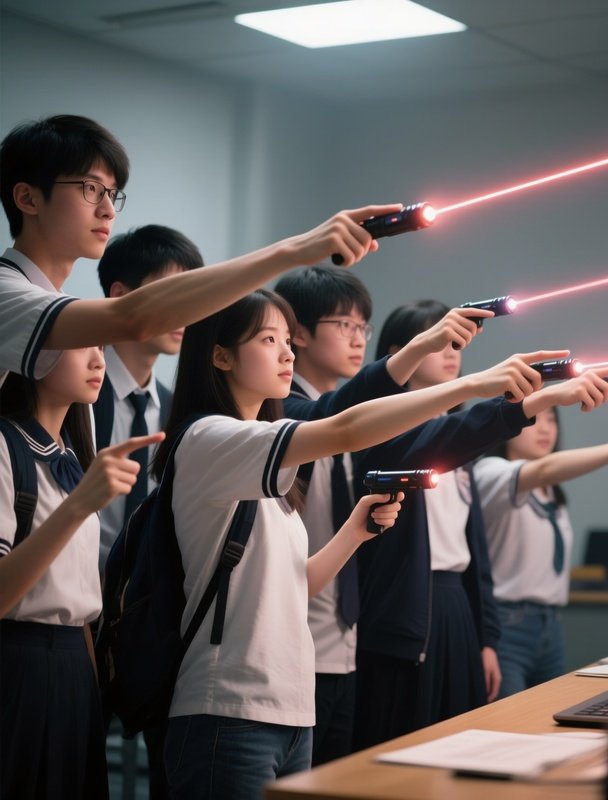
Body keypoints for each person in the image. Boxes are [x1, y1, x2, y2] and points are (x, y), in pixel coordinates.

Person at [152, 288, 554, 797]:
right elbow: (343, 426)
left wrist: (355, 531)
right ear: (220, 355)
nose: (286, 352)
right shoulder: (211, 438)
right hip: (228, 705)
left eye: (286, 339)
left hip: (290, 706)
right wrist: (471, 384)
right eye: (268, 339)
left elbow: (296, 583)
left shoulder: (267, 463)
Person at [351, 299, 608, 750]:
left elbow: (476, 552)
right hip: (409, 602)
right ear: (401, 356)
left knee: (462, 735)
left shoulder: (455, 436)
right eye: (440, 342)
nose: (453, 351)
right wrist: (541, 398)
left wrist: (486, 638)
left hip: (456, 599)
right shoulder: (387, 432)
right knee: (406, 740)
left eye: (458, 343)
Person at [0, 113, 400, 387]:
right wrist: (294, 250)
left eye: (111, 193)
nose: (107, 209)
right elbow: (134, 317)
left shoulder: (44, 300)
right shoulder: (6, 292)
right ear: (28, 198)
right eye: (89, 189)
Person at [275, 266, 489, 764]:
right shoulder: (288, 412)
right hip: (300, 634)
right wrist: (474, 388)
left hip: (341, 638)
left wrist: (515, 403)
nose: (355, 339)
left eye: (361, 328)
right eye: (343, 325)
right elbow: (341, 419)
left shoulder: (347, 418)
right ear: (299, 333)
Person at [0, 347, 163, 799]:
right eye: (82, 345)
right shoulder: (5, 444)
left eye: (100, 346)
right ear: (29, 353)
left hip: (75, 659)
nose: (99, 360)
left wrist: (92, 686)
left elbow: (80, 593)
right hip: (18, 662)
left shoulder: (73, 454)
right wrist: (78, 506)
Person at [93, 224, 203, 798]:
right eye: (172, 293)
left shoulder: (172, 408)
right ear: (119, 296)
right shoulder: (76, 395)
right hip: (80, 611)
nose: (187, 310)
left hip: (150, 614)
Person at [473, 407, 608, 696]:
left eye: (552, 420)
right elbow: (544, 469)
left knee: (547, 721)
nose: (545, 428)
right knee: (510, 727)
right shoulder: (490, 471)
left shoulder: (551, 490)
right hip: (507, 625)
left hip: (551, 626)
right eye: (533, 419)